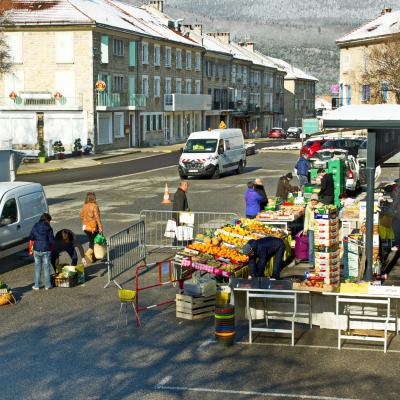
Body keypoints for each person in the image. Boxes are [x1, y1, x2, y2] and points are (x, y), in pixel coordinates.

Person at [29, 213, 54, 290]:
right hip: (45, 249)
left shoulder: (35, 226)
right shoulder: (48, 227)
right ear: (47, 220)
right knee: (46, 268)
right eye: (49, 220)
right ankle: (47, 285)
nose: (49, 222)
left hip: (36, 249)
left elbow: (31, 237)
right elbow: (51, 240)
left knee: (37, 268)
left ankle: (36, 285)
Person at [303, 193, 323, 271]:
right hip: (311, 229)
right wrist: (305, 229)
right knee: (311, 247)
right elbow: (306, 219)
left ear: (317, 201)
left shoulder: (321, 206)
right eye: (312, 200)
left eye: (315, 200)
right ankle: (311, 263)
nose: (313, 202)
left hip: (319, 229)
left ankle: (320, 262)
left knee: (319, 246)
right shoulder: (308, 207)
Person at [172, 180, 190, 246]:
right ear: (183, 185)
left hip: (178, 216)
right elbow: (180, 206)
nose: (187, 187)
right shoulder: (181, 194)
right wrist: (182, 218)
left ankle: (176, 243)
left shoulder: (180, 192)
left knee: (178, 231)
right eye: (186, 185)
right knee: (181, 230)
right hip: (180, 216)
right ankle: (179, 244)